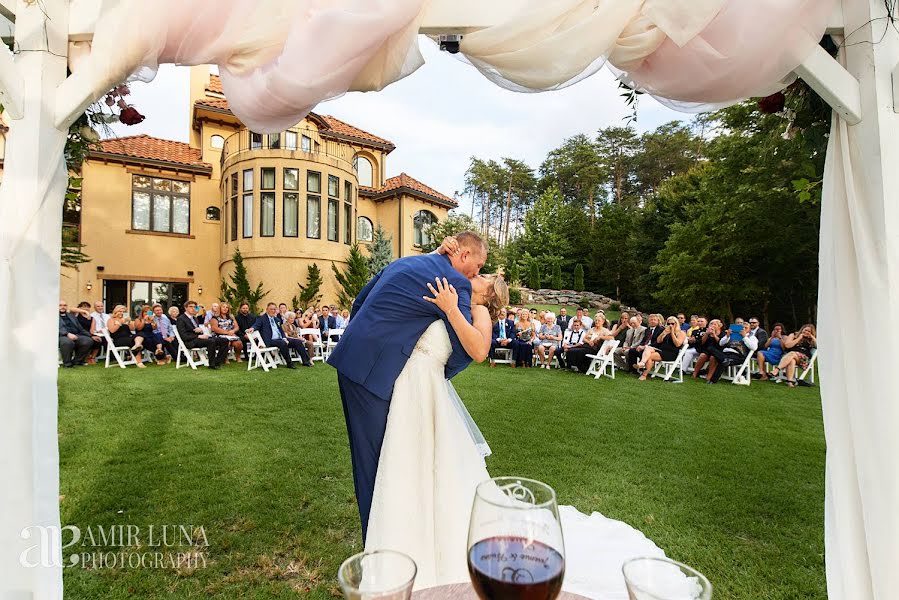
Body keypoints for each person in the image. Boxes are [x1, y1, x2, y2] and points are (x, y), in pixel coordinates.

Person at [366, 269, 658, 591]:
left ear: (490, 293)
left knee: (438, 460)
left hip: (427, 386)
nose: (478, 275)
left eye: (485, 276)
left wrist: (450, 309)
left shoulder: (475, 311)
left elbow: (479, 352)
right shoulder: (457, 297)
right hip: (412, 384)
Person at [327, 232, 487, 541]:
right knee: (375, 462)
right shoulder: (456, 283)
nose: (476, 273)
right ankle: (377, 546)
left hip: (353, 359)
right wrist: (440, 374)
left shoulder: (407, 262)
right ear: (463, 255)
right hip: (372, 373)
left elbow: (360, 300)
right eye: (478, 265)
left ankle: (389, 534)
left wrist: (363, 338)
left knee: (379, 455)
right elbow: (466, 351)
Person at [247, 302, 313, 368]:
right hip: (269, 340)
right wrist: (252, 328)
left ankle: (306, 361)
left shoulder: (277, 319)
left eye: (274, 309)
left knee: (297, 342)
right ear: (267, 309)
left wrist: (284, 338)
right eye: (271, 309)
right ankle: (289, 363)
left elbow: (281, 331)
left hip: (280, 339)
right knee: (282, 343)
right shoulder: (261, 318)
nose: (273, 311)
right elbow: (256, 325)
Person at [176, 300, 229, 369]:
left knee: (224, 340)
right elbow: (184, 336)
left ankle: (217, 361)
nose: (193, 308)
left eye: (194, 307)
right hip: (190, 341)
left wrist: (200, 330)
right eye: (190, 307)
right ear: (185, 308)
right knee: (211, 341)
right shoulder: (181, 319)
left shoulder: (194, 318)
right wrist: (198, 336)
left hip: (199, 339)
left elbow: (197, 331)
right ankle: (212, 364)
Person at [636, 316, 686, 381]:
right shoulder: (666, 331)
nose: (670, 325)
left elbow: (677, 344)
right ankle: (642, 364)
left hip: (671, 353)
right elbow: (658, 341)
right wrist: (664, 333)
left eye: (672, 324)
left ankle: (644, 374)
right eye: (668, 324)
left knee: (649, 356)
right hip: (662, 350)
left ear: (676, 324)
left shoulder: (681, 333)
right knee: (648, 348)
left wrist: (672, 332)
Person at [58, 300, 96, 367]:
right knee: (67, 342)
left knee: (88, 341)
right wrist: (67, 334)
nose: (63, 307)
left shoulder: (71, 316)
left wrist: (91, 336)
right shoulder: (53, 316)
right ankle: (67, 363)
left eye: (64, 305)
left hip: (76, 334)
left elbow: (80, 328)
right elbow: (57, 328)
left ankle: (77, 361)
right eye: (60, 305)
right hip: (62, 335)